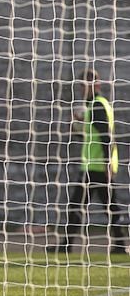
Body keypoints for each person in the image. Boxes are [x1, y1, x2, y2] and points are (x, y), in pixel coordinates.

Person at [49, 69, 129, 255]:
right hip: (93, 165)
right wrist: (76, 125)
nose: (83, 88)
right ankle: (118, 245)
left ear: (97, 85)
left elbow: (105, 136)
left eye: (87, 84)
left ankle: (66, 245)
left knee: (80, 206)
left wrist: (108, 163)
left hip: (98, 166)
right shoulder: (92, 106)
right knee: (108, 207)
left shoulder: (97, 106)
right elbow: (87, 134)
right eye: (82, 84)